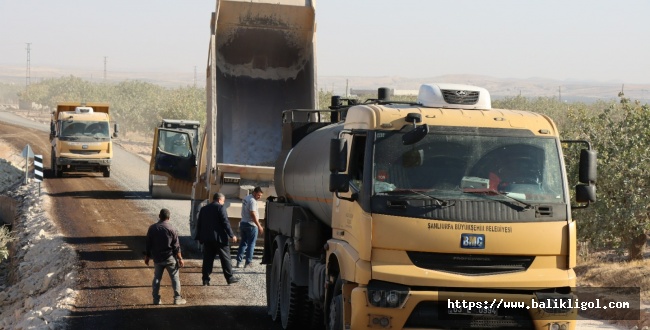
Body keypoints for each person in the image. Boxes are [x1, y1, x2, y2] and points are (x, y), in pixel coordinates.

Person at [195, 192, 239, 286]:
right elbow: (225, 223)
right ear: (219, 200)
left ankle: (205, 279)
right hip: (220, 239)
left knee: (207, 260)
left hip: (207, 239)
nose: (223, 203)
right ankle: (229, 278)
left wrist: (199, 237)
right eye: (223, 201)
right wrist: (232, 235)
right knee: (225, 259)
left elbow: (199, 224)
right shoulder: (220, 208)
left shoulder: (203, 209)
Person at [144, 208, 186, 305]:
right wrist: (180, 259)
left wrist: (147, 256)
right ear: (169, 217)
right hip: (170, 258)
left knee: (157, 278)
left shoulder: (152, 228)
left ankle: (156, 299)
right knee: (175, 278)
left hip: (157, 258)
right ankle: (177, 299)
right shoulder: (172, 229)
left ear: (159, 216)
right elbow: (176, 246)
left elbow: (148, 244)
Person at [236, 187, 265, 268]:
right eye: (259, 195)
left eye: (261, 195)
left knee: (243, 243)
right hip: (251, 225)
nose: (260, 197)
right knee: (251, 244)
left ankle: (239, 262)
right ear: (254, 193)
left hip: (243, 223)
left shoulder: (246, 198)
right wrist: (259, 226)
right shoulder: (252, 201)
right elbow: (252, 214)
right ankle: (248, 262)